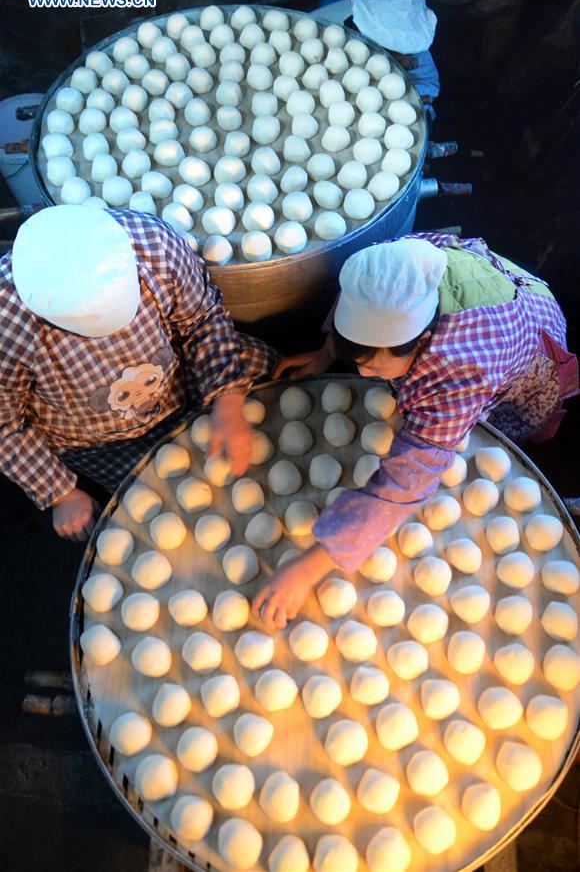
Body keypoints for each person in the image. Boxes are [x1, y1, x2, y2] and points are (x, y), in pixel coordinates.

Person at [253, 232, 578, 628]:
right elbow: (358, 306)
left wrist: (309, 566)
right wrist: (327, 354)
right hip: (487, 294)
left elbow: (407, 481)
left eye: (372, 366)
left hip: (526, 346)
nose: (362, 372)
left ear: (420, 343)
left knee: (492, 427)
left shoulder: (461, 369)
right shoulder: (393, 267)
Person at [0, 205, 278, 540]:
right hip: (96, 436)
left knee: (271, 374)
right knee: (163, 506)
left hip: (178, 377)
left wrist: (228, 399)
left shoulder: (154, 244)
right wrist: (60, 492)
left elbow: (202, 318)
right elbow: (5, 425)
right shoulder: (7, 318)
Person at [316, 0, 440, 117]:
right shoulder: (334, 32)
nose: (407, 59)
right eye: (397, 54)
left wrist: (423, 102)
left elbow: (426, 83)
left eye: (405, 55)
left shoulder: (412, 39)